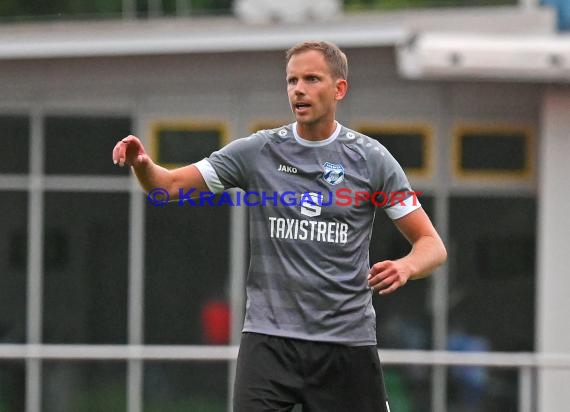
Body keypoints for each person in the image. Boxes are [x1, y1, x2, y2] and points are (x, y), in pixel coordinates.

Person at [112, 40, 447, 412]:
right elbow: (168, 186)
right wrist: (142, 164)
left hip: (345, 344)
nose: (298, 89)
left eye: (311, 79)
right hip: (269, 342)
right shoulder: (259, 152)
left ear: (339, 89)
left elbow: (432, 245)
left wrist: (406, 265)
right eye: (292, 81)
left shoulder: (371, 159)